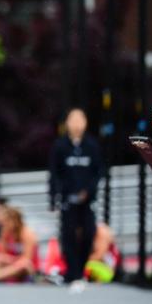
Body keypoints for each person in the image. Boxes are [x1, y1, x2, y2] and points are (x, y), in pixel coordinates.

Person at [49, 108, 104, 284]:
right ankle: (72, 271)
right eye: (73, 120)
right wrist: (53, 197)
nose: (77, 124)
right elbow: (54, 173)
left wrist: (89, 191)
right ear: (67, 123)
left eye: (80, 120)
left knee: (89, 233)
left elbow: (98, 172)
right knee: (68, 235)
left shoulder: (92, 146)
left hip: (87, 200)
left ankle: (80, 268)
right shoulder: (60, 146)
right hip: (67, 199)